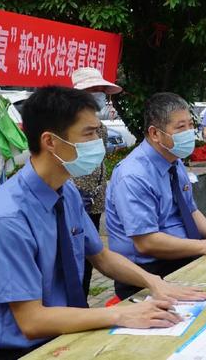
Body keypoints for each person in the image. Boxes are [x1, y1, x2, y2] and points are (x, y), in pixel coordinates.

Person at [0, 87, 206, 360]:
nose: (99, 142)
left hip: (73, 332)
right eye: (89, 133)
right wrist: (120, 313)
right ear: (50, 141)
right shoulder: (7, 217)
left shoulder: (66, 191)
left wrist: (154, 283)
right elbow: (31, 321)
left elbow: (101, 256)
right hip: (29, 350)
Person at [105, 92, 206, 300]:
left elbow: (191, 210)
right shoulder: (133, 175)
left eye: (190, 125)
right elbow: (147, 242)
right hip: (147, 273)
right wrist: (205, 246)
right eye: (180, 128)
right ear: (155, 134)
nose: (188, 133)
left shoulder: (174, 161)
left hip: (182, 257)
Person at [70, 67, 119, 299]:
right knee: (72, 256)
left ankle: (82, 298)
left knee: (89, 253)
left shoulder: (102, 128)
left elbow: (99, 162)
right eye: (93, 90)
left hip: (95, 199)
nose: (98, 95)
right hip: (73, 198)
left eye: (101, 90)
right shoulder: (66, 126)